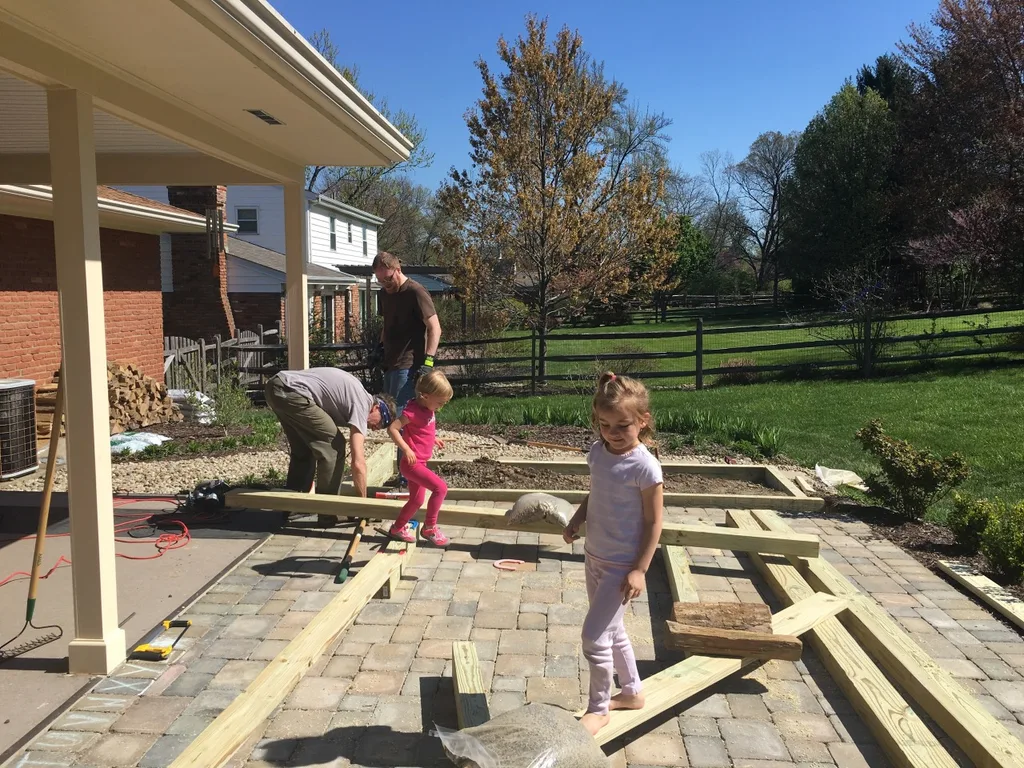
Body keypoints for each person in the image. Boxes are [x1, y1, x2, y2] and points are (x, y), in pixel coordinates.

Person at [562, 372, 664, 736]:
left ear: (642, 420)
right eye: (604, 425)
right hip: (595, 556)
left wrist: (640, 569)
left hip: (622, 567)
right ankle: (633, 691)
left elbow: (654, 522)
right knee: (612, 630)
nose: (613, 433)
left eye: (622, 425)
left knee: (593, 637)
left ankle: (599, 707)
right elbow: (597, 492)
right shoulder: (597, 452)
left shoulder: (645, 467)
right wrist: (577, 518)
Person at [264, 368, 396, 519]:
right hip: (290, 391)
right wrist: (363, 506)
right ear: (377, 407)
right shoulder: (363, 404)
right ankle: (328, 511)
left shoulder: (357, 395)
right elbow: (358, 463)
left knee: (304, 450)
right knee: (336, 446)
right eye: (380, 423)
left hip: (277, 386)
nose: (375, 428)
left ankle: (293, 506)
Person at [384, 370, 453, 547]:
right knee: (440, 488)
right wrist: (406, 449)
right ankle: (429, 527)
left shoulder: (426, 408)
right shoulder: (412, 411)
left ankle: (397, 529)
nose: (440, 407)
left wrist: (433, 438)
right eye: (439, 403)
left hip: (420, 462)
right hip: (411, 464)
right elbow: (392, 428)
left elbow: (422, 429)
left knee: (416, 500)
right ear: (425, 395)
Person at [372, 251, 442, 411]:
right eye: (380, 280)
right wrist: (380, 348)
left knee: (401, 416)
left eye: (388, 278)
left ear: (398, 269)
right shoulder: (384, 293)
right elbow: (387, 323)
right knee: (389, 415)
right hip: (390, 364)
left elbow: (435, 328)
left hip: (409, 365)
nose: (385, 284)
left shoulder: (415, 291)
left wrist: (428, 361)